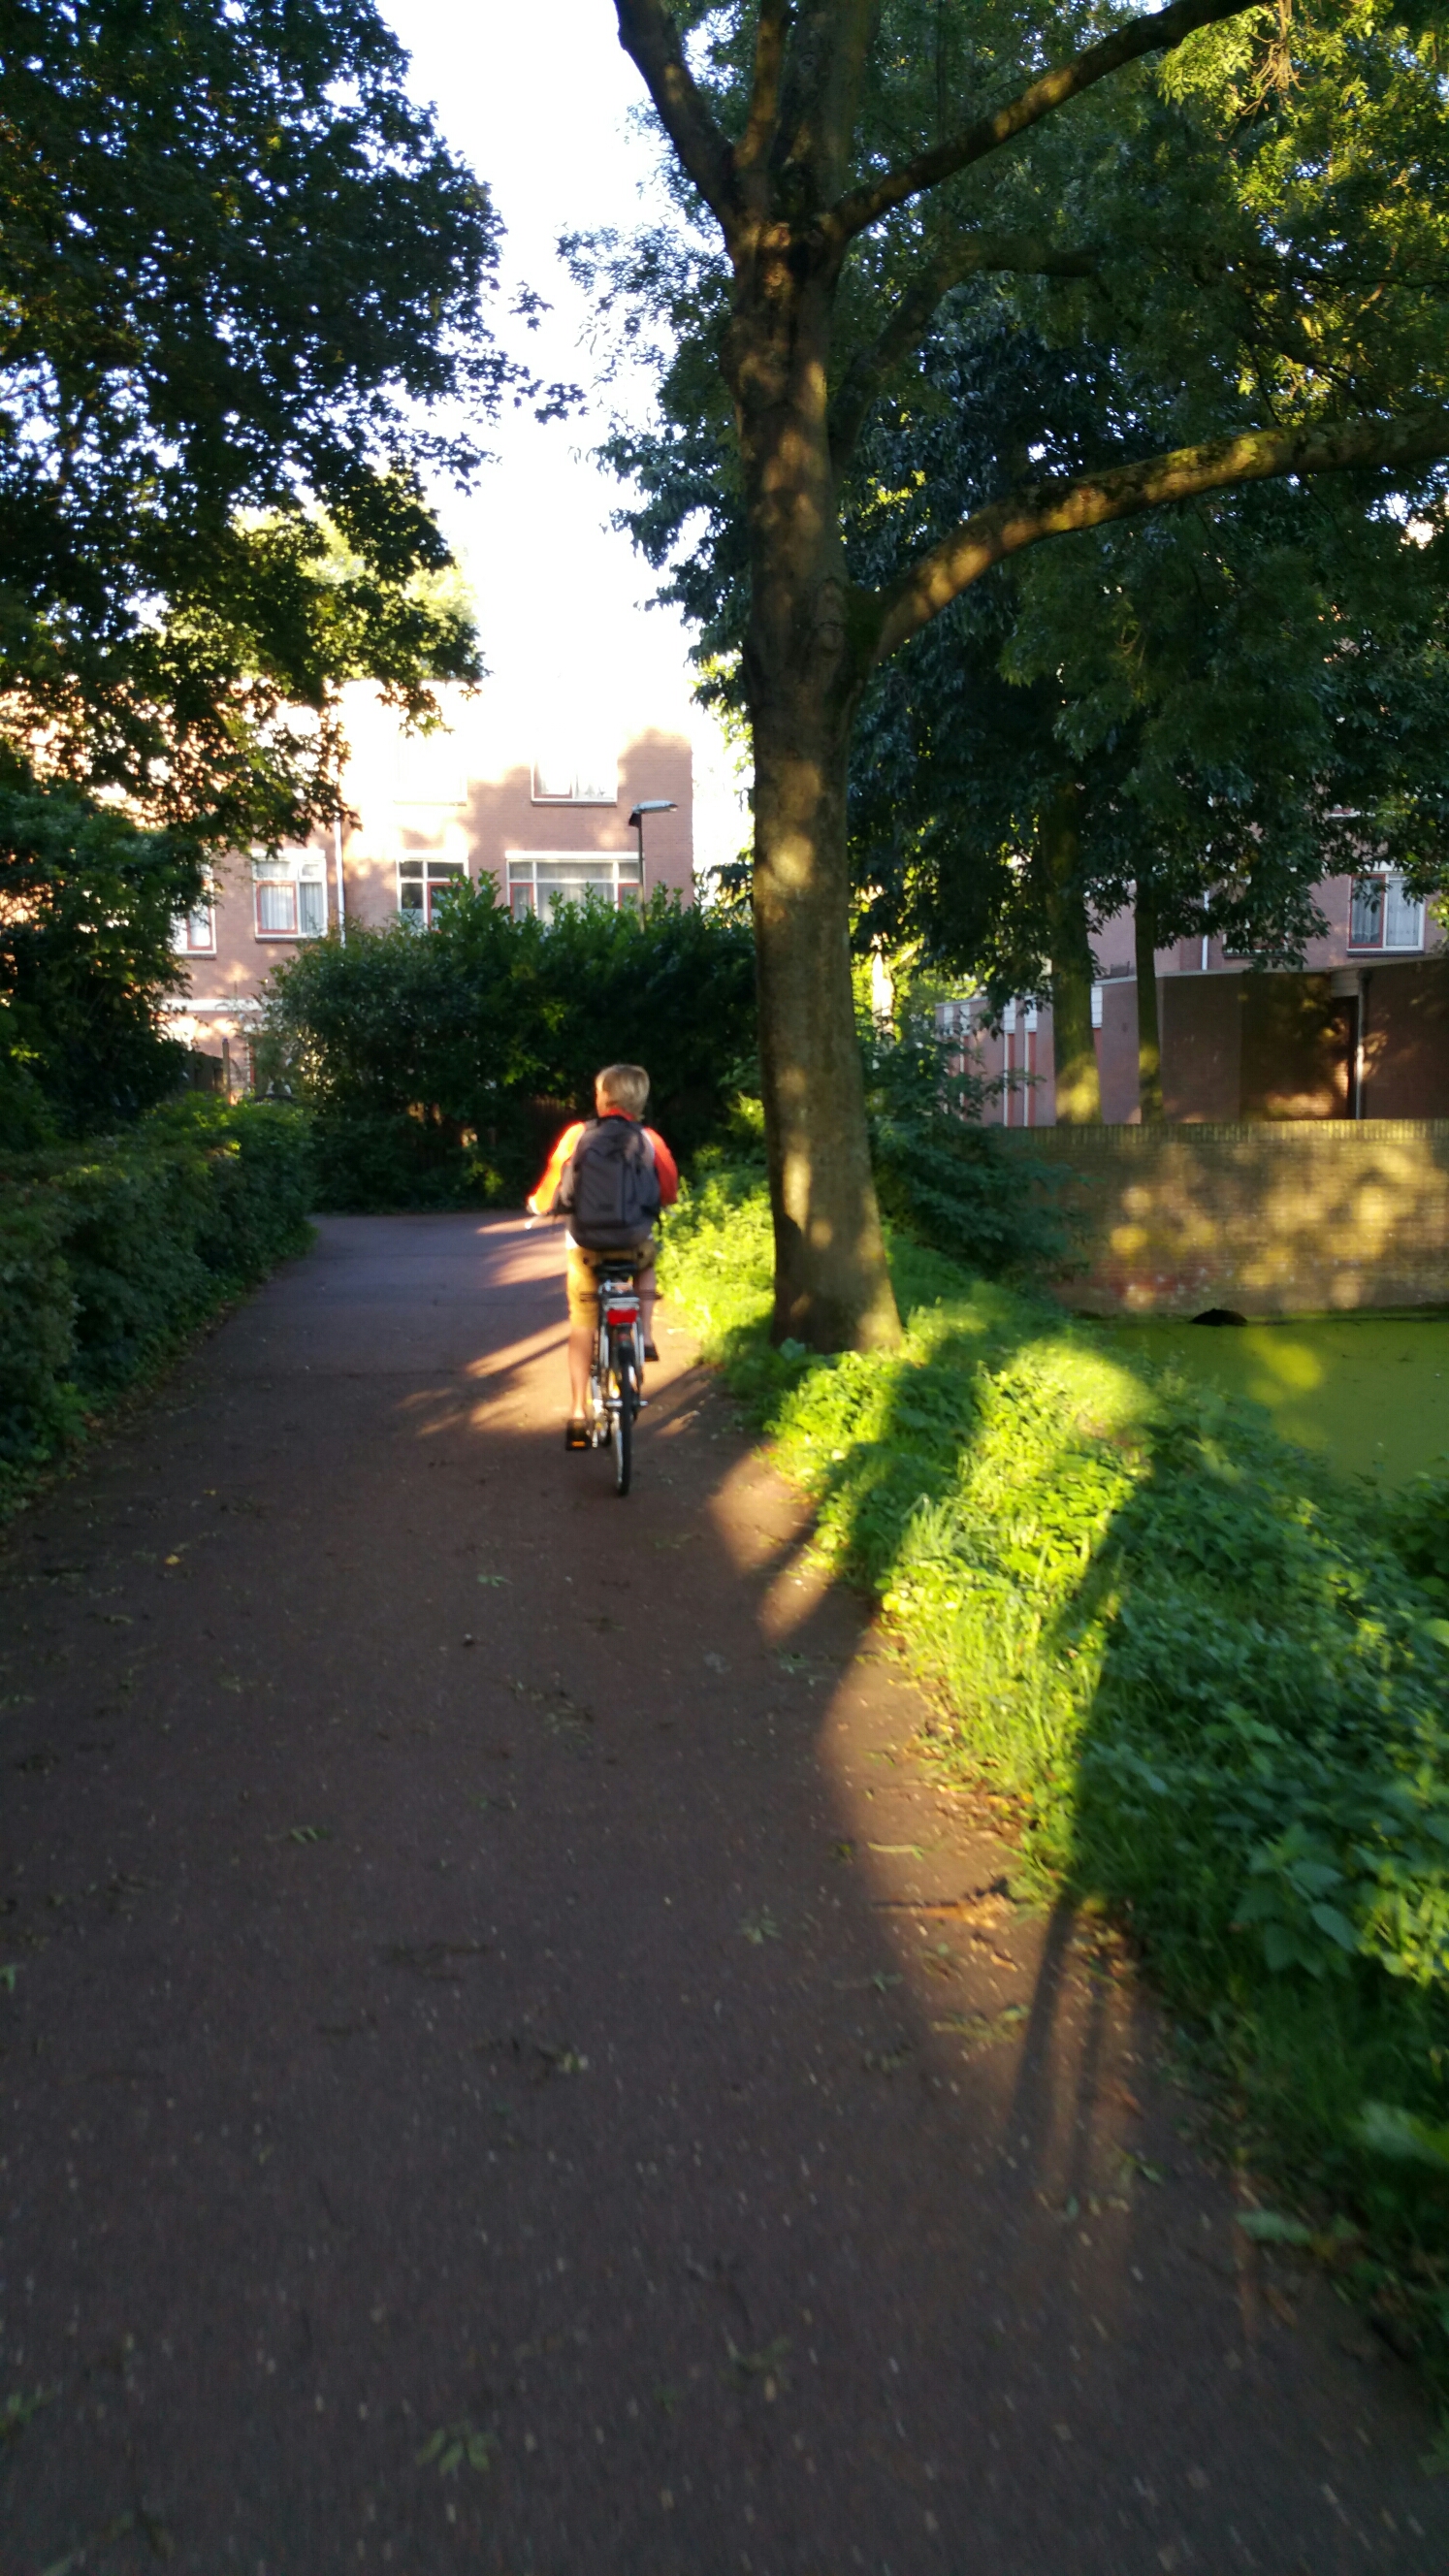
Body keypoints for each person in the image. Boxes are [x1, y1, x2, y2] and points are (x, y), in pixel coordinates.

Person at [527, 1063, 678, 1449]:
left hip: (586, 1247)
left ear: (603, 1097)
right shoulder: (649, 1139)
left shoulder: (577, 1136)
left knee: (582, 1323)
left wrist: (538, 1205)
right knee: (646, 1264)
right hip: (633, 1242)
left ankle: (578, 1415)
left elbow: (552, 1186)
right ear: (639, 1100)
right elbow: (668, 1189)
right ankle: (645, 1335)